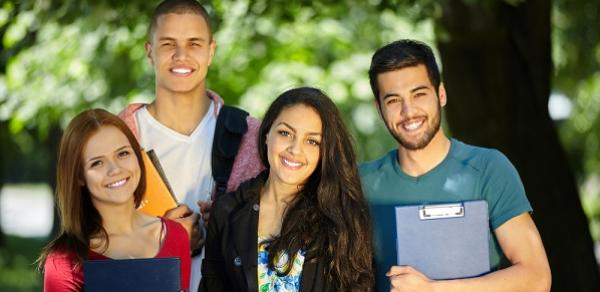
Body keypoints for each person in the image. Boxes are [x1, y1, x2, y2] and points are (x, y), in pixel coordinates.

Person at [359, 39, 552, 292]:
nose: (409, 111)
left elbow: (537, 278)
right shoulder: (360, 183)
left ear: (441, 94)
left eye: (419, 94)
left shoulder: (488, 169)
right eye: (394, 100)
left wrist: (433, 289)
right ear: (379, 109)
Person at [118, 1, 263, 290]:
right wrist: (166, 239)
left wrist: (228, 221)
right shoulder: (119, 138)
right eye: (169, 44)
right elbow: (89, 233)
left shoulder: (252, 137)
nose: (181, 56)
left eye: (194, 44)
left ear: (211, 51)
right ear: (150, 52)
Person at [199, 87, 374, 292]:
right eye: (285, 133)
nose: (295, 149)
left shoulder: (343, 216)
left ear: (325, 150)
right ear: (266, 134)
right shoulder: (226, 210)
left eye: (312, 141)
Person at [37, 109, 191, 291]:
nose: (115, 169)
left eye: (123, 153)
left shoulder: (176, 235)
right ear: (79, 177)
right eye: (97, 163)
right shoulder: (65, 261)